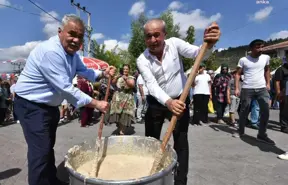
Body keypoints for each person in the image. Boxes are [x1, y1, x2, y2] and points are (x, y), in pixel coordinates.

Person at [13, 14, 115, 185]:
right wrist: (97, 103)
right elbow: (66, 89)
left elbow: (85, 71)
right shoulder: (51, 52)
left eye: (80, 36)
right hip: (31, 106)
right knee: (40, 152)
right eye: (72, 34)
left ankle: (50, 180)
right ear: (60, 32)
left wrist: (103, 74)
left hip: (49, 106)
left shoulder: (73, 54)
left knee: (47, 148)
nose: (76, 40)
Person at [136, 18, 220, 185]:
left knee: (181, 141)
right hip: (156, 102)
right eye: (148, 36)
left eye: (156, 35)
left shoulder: (174, 44)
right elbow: (151, 86)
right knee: (151, 141)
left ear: (164, 35)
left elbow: (198, 53)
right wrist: (168, 102)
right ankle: (151, 176)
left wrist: (209, 44)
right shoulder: (142, 59)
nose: (153, 40)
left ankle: (181, 180)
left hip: (180, 99)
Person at [234, 39, 275, 145]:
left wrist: (268, 83)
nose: (261, 49)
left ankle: (262, 134)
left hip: (262, 88)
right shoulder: (243, 60)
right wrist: (237, 88)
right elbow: (237, 74)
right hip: (247, 88)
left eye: (262, 47)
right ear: (251, 48)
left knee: (265, 110)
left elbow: (267, 70)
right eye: (258, 47)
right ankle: (240, 131)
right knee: (244, 110)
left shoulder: (266, 58)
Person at [109, 64, 136, 135]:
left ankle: (122, 131)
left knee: (124, 115)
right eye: (124, 69)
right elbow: (113, 82)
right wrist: (116, 77)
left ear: (129, 70)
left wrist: (125, 78)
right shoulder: (119, 76)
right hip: (118, 98)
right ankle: (120, 127)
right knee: (118, 115)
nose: (125, 70)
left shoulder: (131, 77)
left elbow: (132, 85)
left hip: (127, 98)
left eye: (126, 69)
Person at [273, 53, 288, 133]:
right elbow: (277, 82)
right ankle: (284, 126)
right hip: (284, 92)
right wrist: (278, 93)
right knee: (284, 109)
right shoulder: (281, 69)